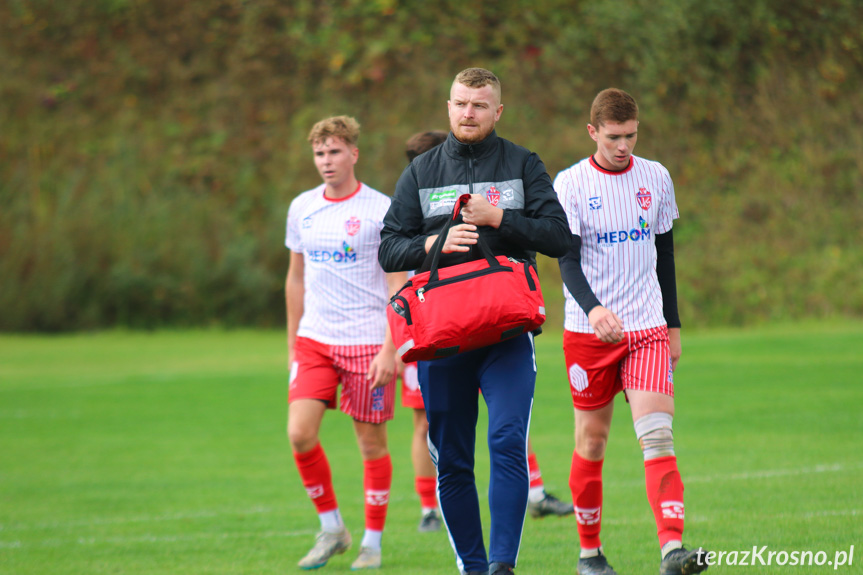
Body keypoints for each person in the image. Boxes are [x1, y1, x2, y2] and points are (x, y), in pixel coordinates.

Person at [379, 68, 572, 575]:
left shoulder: (523, 163)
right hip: (443, 342)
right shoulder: (420, 172)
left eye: (480, 105)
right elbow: (387, 248)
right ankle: (474, 565)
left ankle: (502, 567)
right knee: (453, 459)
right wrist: (431, 244)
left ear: (497, 111)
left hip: (506, 336)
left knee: (507, 440)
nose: (469, 113)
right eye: (461, 103)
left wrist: (498, 219)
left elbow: (558, 237)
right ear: (448, 107)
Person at [553, 89, 708, 575]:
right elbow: (566, 259)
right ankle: (589, 554)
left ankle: (671, 551)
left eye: (631, 135)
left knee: (658, 436)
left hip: (646, 328)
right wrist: (594, 309)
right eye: (614, 136)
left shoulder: (655, 176)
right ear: (593, 131)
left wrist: (674, 325)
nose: (624, 145)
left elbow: (665, 255)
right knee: (592, 442)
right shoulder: (572, 183)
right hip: (588, 331)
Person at [400, 131, 573, 531]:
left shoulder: (509, 173)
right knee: (427, 425)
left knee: (506, 424)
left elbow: (556, 236)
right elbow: (394, 264)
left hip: (495, 323)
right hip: (435, 331)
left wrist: (497, 219)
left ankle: (533, 495)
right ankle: (430, 507)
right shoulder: (414, 199)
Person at [285, 115, 407, 570]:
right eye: (319, 153)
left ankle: (371, 545)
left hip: (367, 344)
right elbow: (295, 279)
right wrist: (292, 343)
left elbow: (399, 284)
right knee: (299, 433)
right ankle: (333, 527)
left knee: (370, 446)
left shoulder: (381, 209)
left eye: (335, 152)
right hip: (315, 341)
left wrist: (390, 348)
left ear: (354, 154)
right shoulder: (302, 208)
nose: (326, 161)